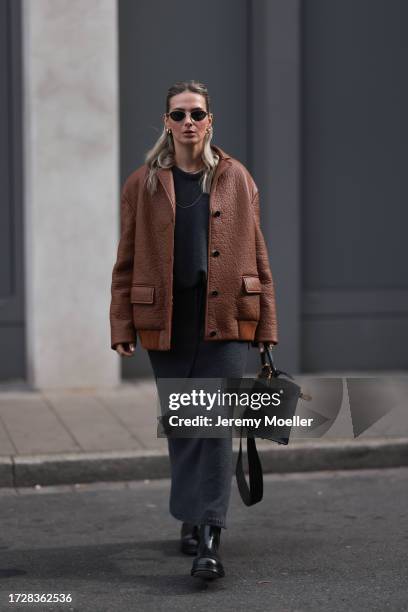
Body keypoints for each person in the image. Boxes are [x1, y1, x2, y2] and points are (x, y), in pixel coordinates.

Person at [109, 80, 278, 580]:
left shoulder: (236, 178)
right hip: (167, 322)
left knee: (216, 428)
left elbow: (258, 253)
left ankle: (209, 535)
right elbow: (127, 259)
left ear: (210, 121)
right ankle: (190, 514)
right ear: (166, 122)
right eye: (178, 115)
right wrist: (122, 321)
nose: (188, 123)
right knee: (185, 426)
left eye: (196, 114)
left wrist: (265, 324)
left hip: (224, 321)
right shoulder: (143, 183)